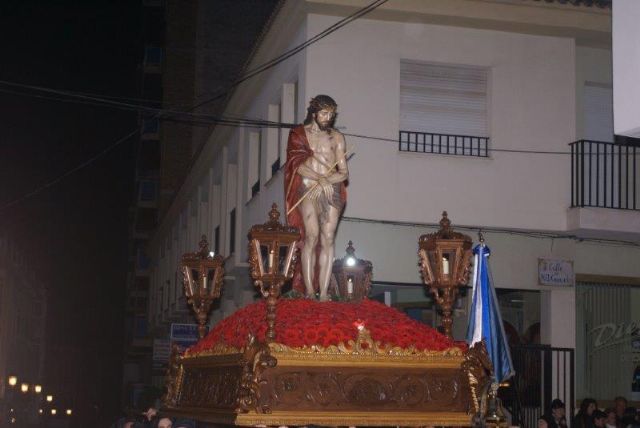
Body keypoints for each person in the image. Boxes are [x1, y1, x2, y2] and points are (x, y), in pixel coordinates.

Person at [285, 95, 349, 301]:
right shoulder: (299, 134)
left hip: (331, 190)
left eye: (331, 114)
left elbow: (344, 172)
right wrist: (320, 179)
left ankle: (323, 293)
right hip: (308, 188)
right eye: (324, 113)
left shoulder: (337, 137)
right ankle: (309, 291)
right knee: (311, 236)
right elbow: (297, 165)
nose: (327, 118)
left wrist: (327, 181)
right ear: (314, 113)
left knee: (328, 238)